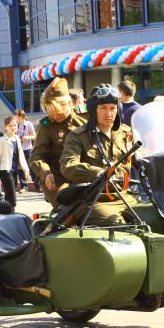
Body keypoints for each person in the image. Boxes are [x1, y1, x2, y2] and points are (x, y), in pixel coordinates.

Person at [60, 83, 137, 226]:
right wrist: (99, 173)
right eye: (103, 108)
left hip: (125, 197)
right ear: (93, 110)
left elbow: (142, 159)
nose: (108, 113)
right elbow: (68, 165)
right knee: (119, 225)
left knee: (155, 218)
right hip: (94, 201)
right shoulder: (78, 136)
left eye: (112, 108)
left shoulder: (125, 134)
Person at [30, 77, 86, 207]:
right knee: (68, 209)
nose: (55, 114)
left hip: (84, 174)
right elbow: (36, 156)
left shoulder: (85, 117)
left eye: (58, 108)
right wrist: (46, 173)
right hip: (57, 178)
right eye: (50, 109)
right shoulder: (45, 126)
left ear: (70, 103)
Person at [0, 115, 29, 209]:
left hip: (14, 170)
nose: (13, 127)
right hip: (5, 171)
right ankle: (12, 212)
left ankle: (6, 212)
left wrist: (26, 170)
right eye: (10, 125)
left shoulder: (17, 138)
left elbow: (21, 155)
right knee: (12, 195)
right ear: (6, 127)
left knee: (8, 195)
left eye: (15, 125)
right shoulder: (2, 140)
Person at [14, 109, 39, 192]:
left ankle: (38, 186)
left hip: (27, 149)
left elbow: (34, 136)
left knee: (32, 167)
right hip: (18, 149)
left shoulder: (29, 124)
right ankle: (23, 186)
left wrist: (27, 137)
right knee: (20, 168)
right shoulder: (15, 125)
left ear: (22, 117)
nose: (16, 118)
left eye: (17, 117)